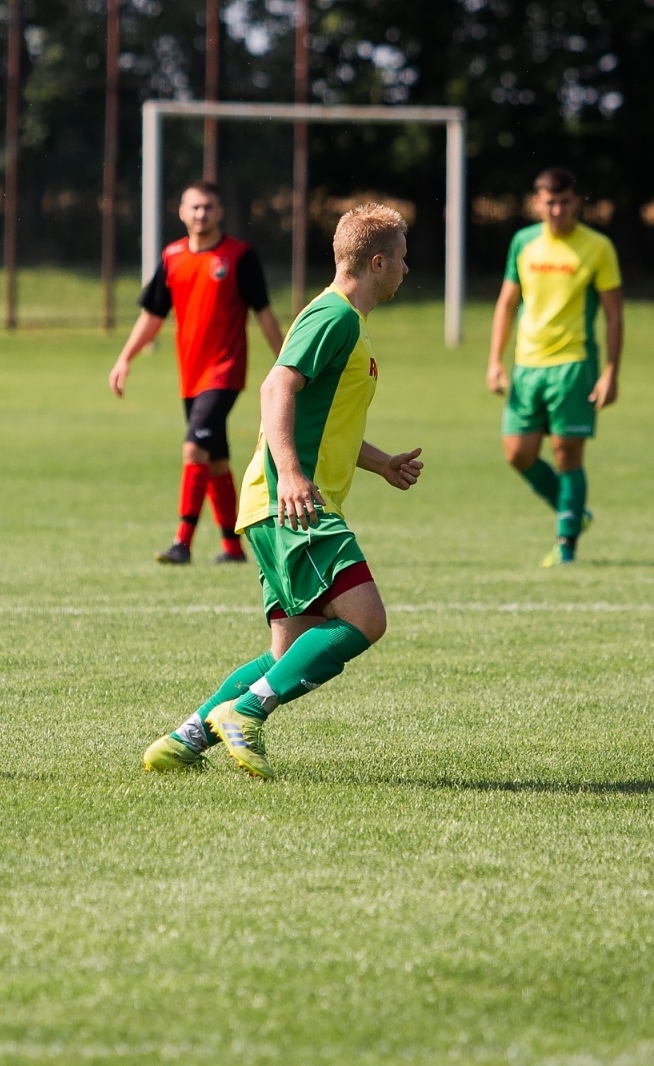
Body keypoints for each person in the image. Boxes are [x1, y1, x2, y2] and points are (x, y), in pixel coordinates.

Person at [142, 203, 423, 780]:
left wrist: (380, 462)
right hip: (292, 497)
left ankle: (184, 740)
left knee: (284, 653)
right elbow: (277, 388)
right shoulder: (335, 317)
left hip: (276, 497)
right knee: (365, 618)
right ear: (376, 262)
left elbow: (324, 418)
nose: (406, 269)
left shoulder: (343, 321)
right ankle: (246, 712)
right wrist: (292, 474)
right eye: (400, 258)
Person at [109, 181, 285, 565]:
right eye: (194, 207)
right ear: (181, 212)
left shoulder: (239, 257)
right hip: (190, 376)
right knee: (216, 459)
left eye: (208, 207)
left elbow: (265, 314)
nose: (201, 214)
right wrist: (125, 358)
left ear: (220, 212)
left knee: (194, 447)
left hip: (224, 373)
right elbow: (152, 317)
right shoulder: (172, 257)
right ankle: (232, 548)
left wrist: (290, 364)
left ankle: (182, 543)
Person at [485, 167, 624, 566]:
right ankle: (575, 513)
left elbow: (614, 314)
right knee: (517, 453)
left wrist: (611, 370)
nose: (557, 210)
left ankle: (566, 545)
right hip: (527, 366)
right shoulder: (523, 242)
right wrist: (495, 359)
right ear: (537, 203)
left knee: (567, 454)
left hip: (574, 364)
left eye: (564, 202)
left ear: (577, 201)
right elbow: (507, 303)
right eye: (550, 203)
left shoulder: (598, 247)